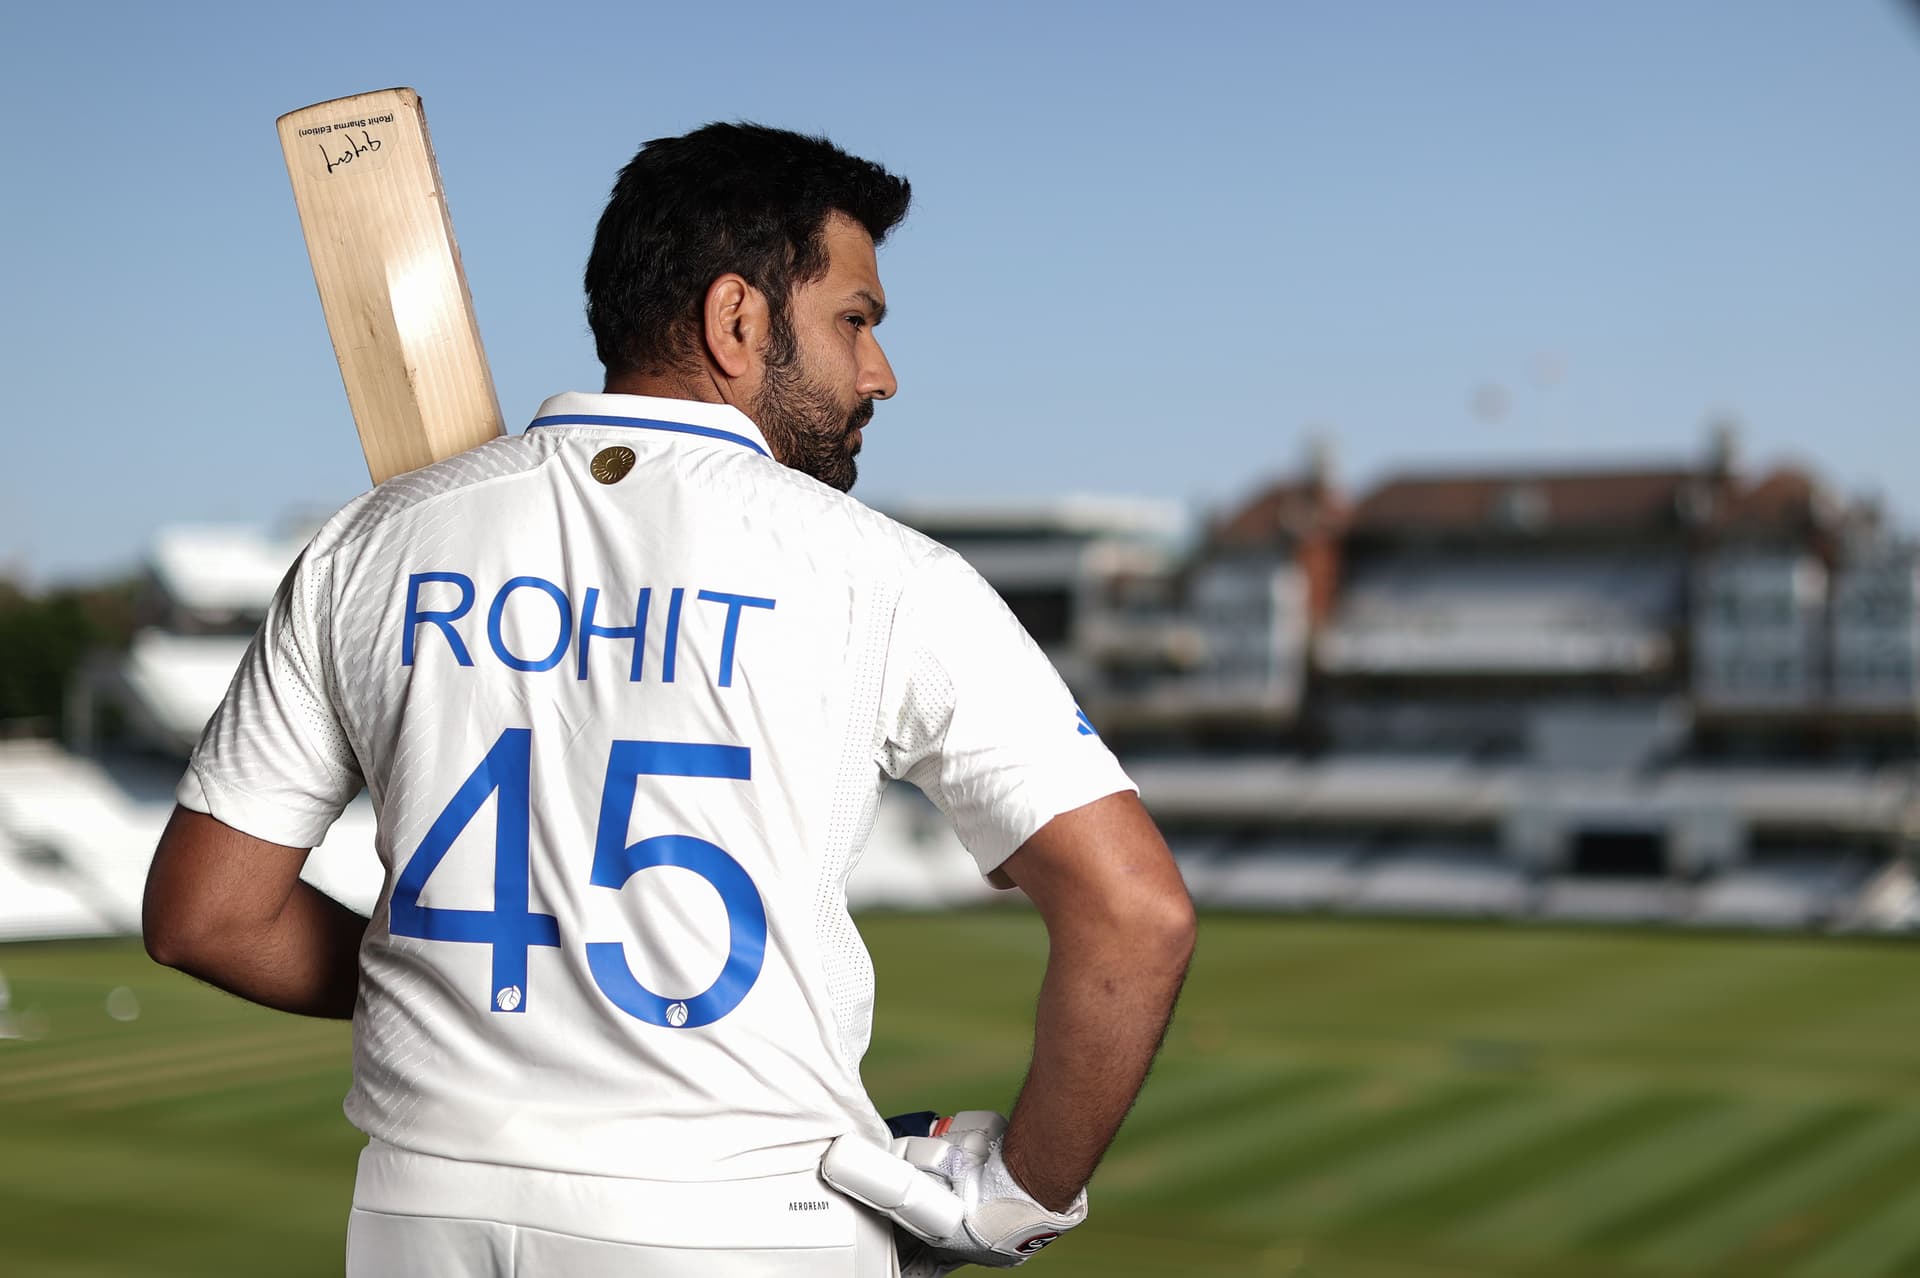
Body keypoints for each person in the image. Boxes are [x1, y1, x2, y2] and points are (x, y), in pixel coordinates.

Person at [143, 122, 1195, 1277]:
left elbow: (211, 916)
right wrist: (1018, 1195)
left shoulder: (368, 545)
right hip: (741, 1217)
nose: (881, 372)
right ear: (738, 320)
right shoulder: (886, 574)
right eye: (856, 321)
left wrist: (503, 986)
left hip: (418, 1210)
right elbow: (1133, 913)